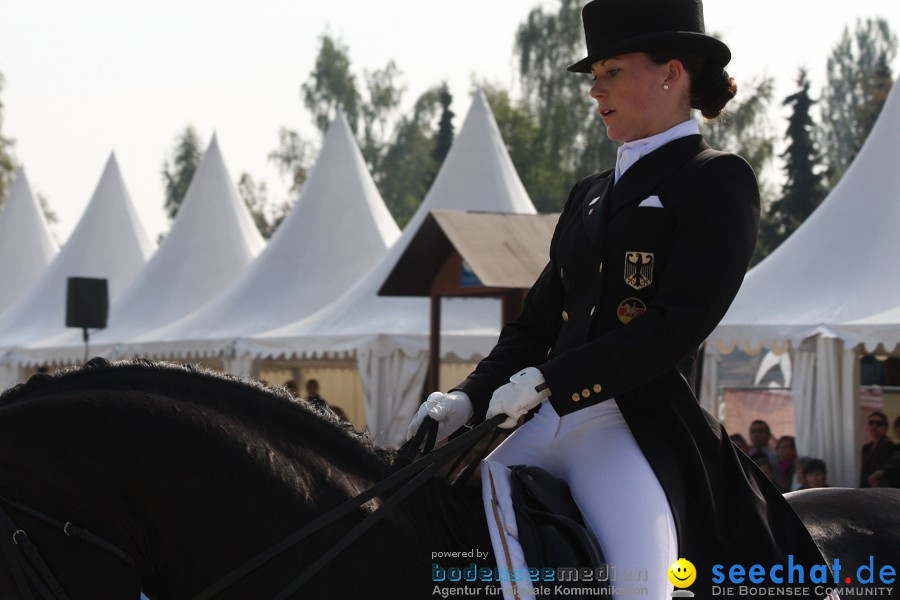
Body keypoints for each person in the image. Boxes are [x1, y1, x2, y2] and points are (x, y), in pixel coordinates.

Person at [407, 0, 826, 596]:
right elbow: (534, 324)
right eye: (594, 76)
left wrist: (554, 378)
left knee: (643, 583)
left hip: (627, 424)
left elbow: (677, 323)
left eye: (611, 72)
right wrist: (467, 397)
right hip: (538, 418)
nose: (595, 91)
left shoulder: (716, 178)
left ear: (670, 73)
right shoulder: (589, 195)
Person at [860, 411, 894, 487]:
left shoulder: (889, 446)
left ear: (884, 428)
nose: (874, 426)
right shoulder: (866, 448)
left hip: (882, 488)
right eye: (871, 422)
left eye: (878, 423)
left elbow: (890, 469)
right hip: (867, 486)